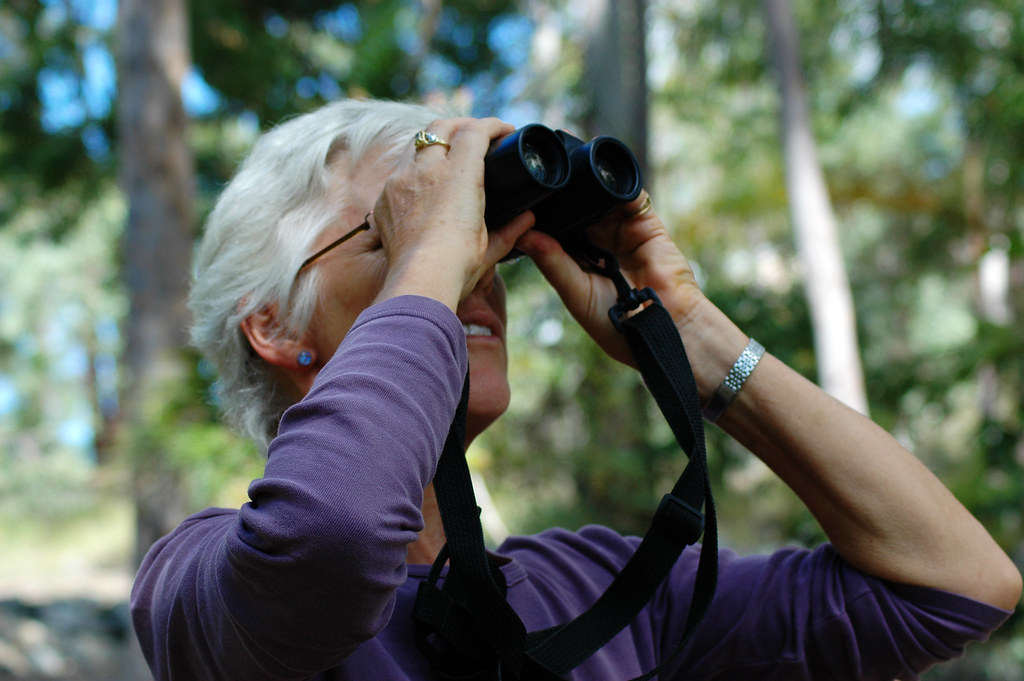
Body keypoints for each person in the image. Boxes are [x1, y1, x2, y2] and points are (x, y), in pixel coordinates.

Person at [130, 98, 1020, 681]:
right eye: (399, 231)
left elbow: (953, 586)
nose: (475, 270)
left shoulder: (591, 584)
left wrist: (692, 334)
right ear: (276, 328)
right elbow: (330, 537)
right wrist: (429, 264)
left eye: (485, 236)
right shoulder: (200, 586)